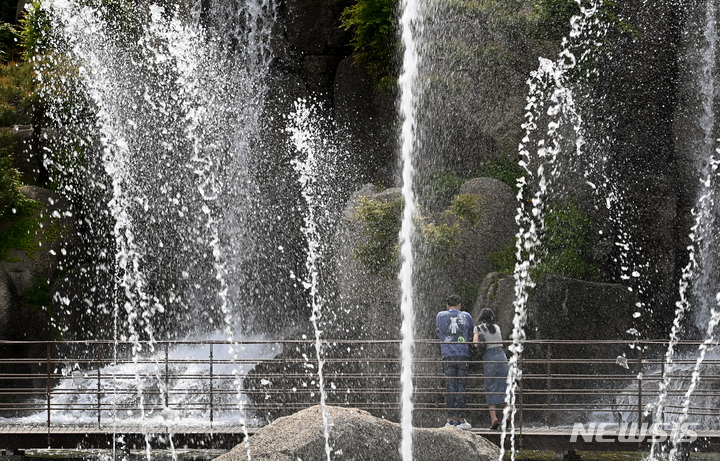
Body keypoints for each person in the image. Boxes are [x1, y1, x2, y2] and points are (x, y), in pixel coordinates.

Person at [436, 294, 474, 429]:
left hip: (447, 354)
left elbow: (440, 331)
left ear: (447, 305)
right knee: (462, 386)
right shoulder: (466, 316)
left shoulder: (440, 315)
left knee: (450, 387)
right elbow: (470, 332)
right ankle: (462, 420)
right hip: (463, 354)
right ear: (459, 305)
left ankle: (450, 420)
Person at [473, 307, 509, 430]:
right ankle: (507, 416)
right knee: (504, 385)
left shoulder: (478, 328)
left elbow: (475, 344)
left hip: (490, 357)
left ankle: (494, 419)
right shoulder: (497, 327)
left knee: (490, 386)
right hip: (502, 356)